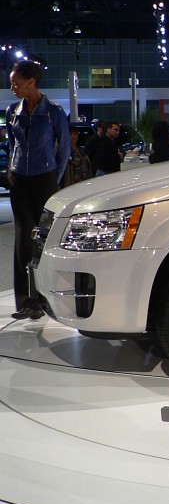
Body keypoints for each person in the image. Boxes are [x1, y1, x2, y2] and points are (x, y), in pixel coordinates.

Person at [5, 60, 70, 320]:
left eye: (16, 83)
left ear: (31, 82)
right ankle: (26, 301)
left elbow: (64, 150)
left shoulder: (54, 111)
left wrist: (55, 179)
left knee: (43, 238)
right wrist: (12, 167)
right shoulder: (12, 111)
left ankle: (44, 298)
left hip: (45, 179)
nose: (12, 87)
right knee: (23, 238)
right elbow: (12, 144)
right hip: (19, 179)